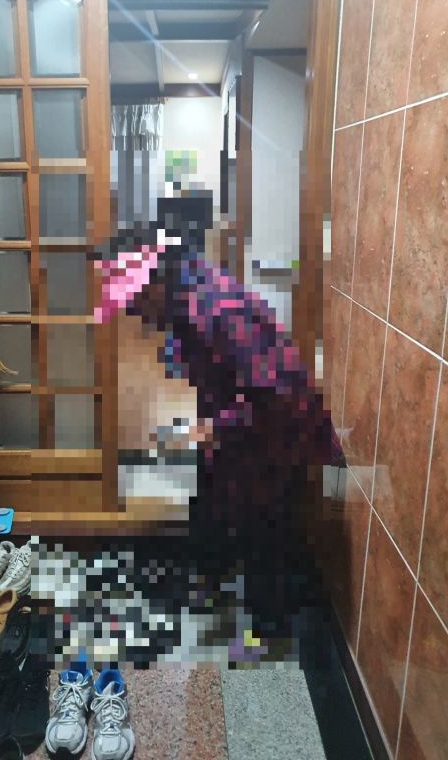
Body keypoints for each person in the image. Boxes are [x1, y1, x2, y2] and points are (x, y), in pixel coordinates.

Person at [93, 217, 344, 646]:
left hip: (280, 437)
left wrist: (214, 428)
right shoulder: (181, 298)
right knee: (210, 502)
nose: (132, 312)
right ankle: (213, 585)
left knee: (267, 546)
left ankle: (269, 648)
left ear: (155, 281)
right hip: (245, 428)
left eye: (133, 300)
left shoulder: (217, 310)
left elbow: (278, 399)